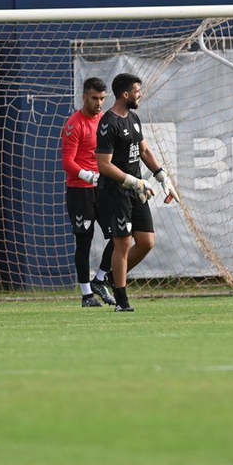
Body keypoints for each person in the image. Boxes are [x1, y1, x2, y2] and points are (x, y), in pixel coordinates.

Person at [94, 73, 176, 313]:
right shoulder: (108, 123)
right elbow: (104, 165)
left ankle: (109, 278)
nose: (141, 94)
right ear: (125, 94)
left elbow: (144, 149)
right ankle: (121, 301)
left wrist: (163, 178)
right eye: (137, 91)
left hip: (136, 189)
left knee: (147, 242)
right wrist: (133, 181)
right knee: (122, 244)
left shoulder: (134, 118)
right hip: (116, 191)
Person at [61, 76, 116, 307]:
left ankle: (100, 279)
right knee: (84, 241)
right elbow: (67, 161)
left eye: (103, 98)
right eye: (94, 98)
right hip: (80, 191)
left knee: (120, 235)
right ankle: (86, 295)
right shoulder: (75, 124)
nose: (99, 103)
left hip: (103, 189)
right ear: (84, 97)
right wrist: (88, 175)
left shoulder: (104, 120)